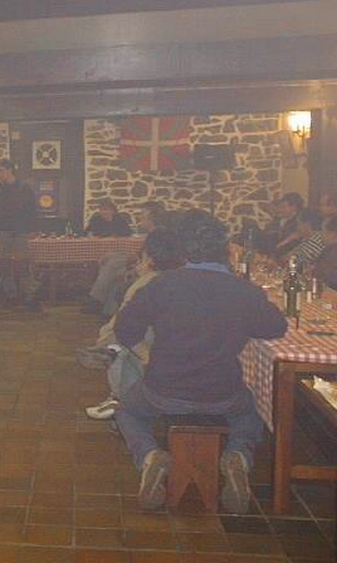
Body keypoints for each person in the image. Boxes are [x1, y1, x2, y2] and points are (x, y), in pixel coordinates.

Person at [113, 212, 287, 513]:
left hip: (163, 390)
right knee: (253, 413)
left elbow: (125, 329)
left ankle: (150, 456)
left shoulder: (161, 285)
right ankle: (238, 456)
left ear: (182, 249)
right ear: (226, 249)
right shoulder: (243, 290)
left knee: (126, 411)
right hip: (222, 393)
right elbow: (275, 327)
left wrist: (146, 355)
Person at [83, 228, 186, 420]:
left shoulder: (146, 284)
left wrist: (102, 343)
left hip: (155, 356)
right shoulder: (183, 279)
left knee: (117, 346)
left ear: (150, 259)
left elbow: (121, 325)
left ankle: (120, 400)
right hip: (179, 351)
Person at [84, 201, 165, 316]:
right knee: (110, 259)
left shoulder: (159, 234)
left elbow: (151, 259)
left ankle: (98, 301)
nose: (140, 218)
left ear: (152, 219)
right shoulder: (152, 233)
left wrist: (132, 263)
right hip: (138, 261)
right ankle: (102, 304)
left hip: (146, 267)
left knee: (114, 267)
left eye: (142, 216)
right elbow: (140, 253)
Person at [0, 160, 39, 309]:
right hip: (4, 230)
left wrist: (32, 229)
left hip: (20, 230)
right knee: (4, 264)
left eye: (1, 171)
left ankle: (29, 296)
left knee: (23, 264)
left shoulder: (24, 188)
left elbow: (32, 209)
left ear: (10, 170)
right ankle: (10, 295)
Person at [315, 216, 337, 287]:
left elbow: (327, 276)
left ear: (333, 234)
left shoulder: (333, 251)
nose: (321, 235)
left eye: (323, 231)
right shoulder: (328, 248)